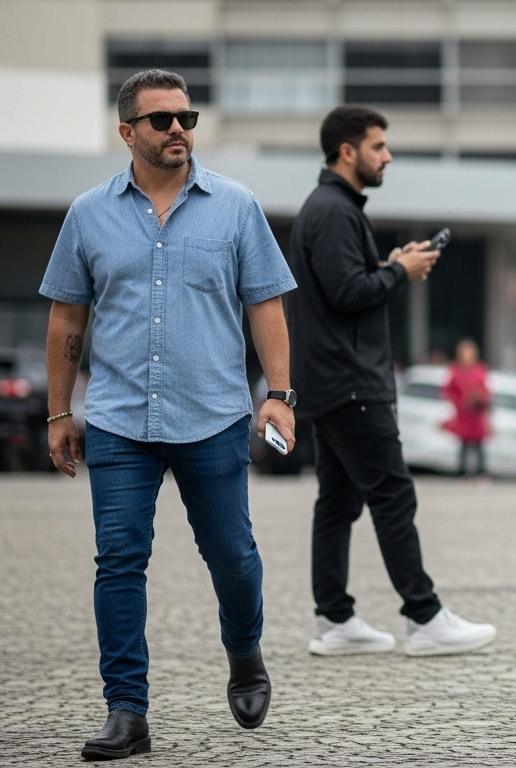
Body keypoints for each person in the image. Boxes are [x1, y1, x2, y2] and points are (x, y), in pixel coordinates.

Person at [41, 69, 295, 759]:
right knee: (118, 561)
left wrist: (279, 392)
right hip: (120, 418)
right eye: (161, 120)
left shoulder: (235, 207)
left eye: (187, 116)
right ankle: (128, 711)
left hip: (212, 416)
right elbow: (67, 313)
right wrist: (58, 411)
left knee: (233, 557)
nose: (178, 128)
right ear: (127, 132)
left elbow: (264, 304)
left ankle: (244, 652)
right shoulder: (88, 214)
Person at [287, 105, 497, 657]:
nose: (388, 156)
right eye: (378, 146)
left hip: (332, 379)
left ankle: (336, 620)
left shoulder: (333, 209)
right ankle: (425, 617)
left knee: (337, 500)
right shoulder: (332, 210)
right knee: (392, 493)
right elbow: (347, 293)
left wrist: (390, 266)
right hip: (352, 381)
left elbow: (349, 284)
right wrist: (399, 272)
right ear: (347, 151)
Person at [442, 338, 492, 478]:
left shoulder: (480, 369)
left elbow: (486, 390)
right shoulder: (455, 370)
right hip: (463, 413)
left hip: (477, 413)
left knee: (479, 442)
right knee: (464, 442)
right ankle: (462, 470)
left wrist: (480, 398)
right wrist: (459, 402)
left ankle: (481, 470)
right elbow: (447, 391)